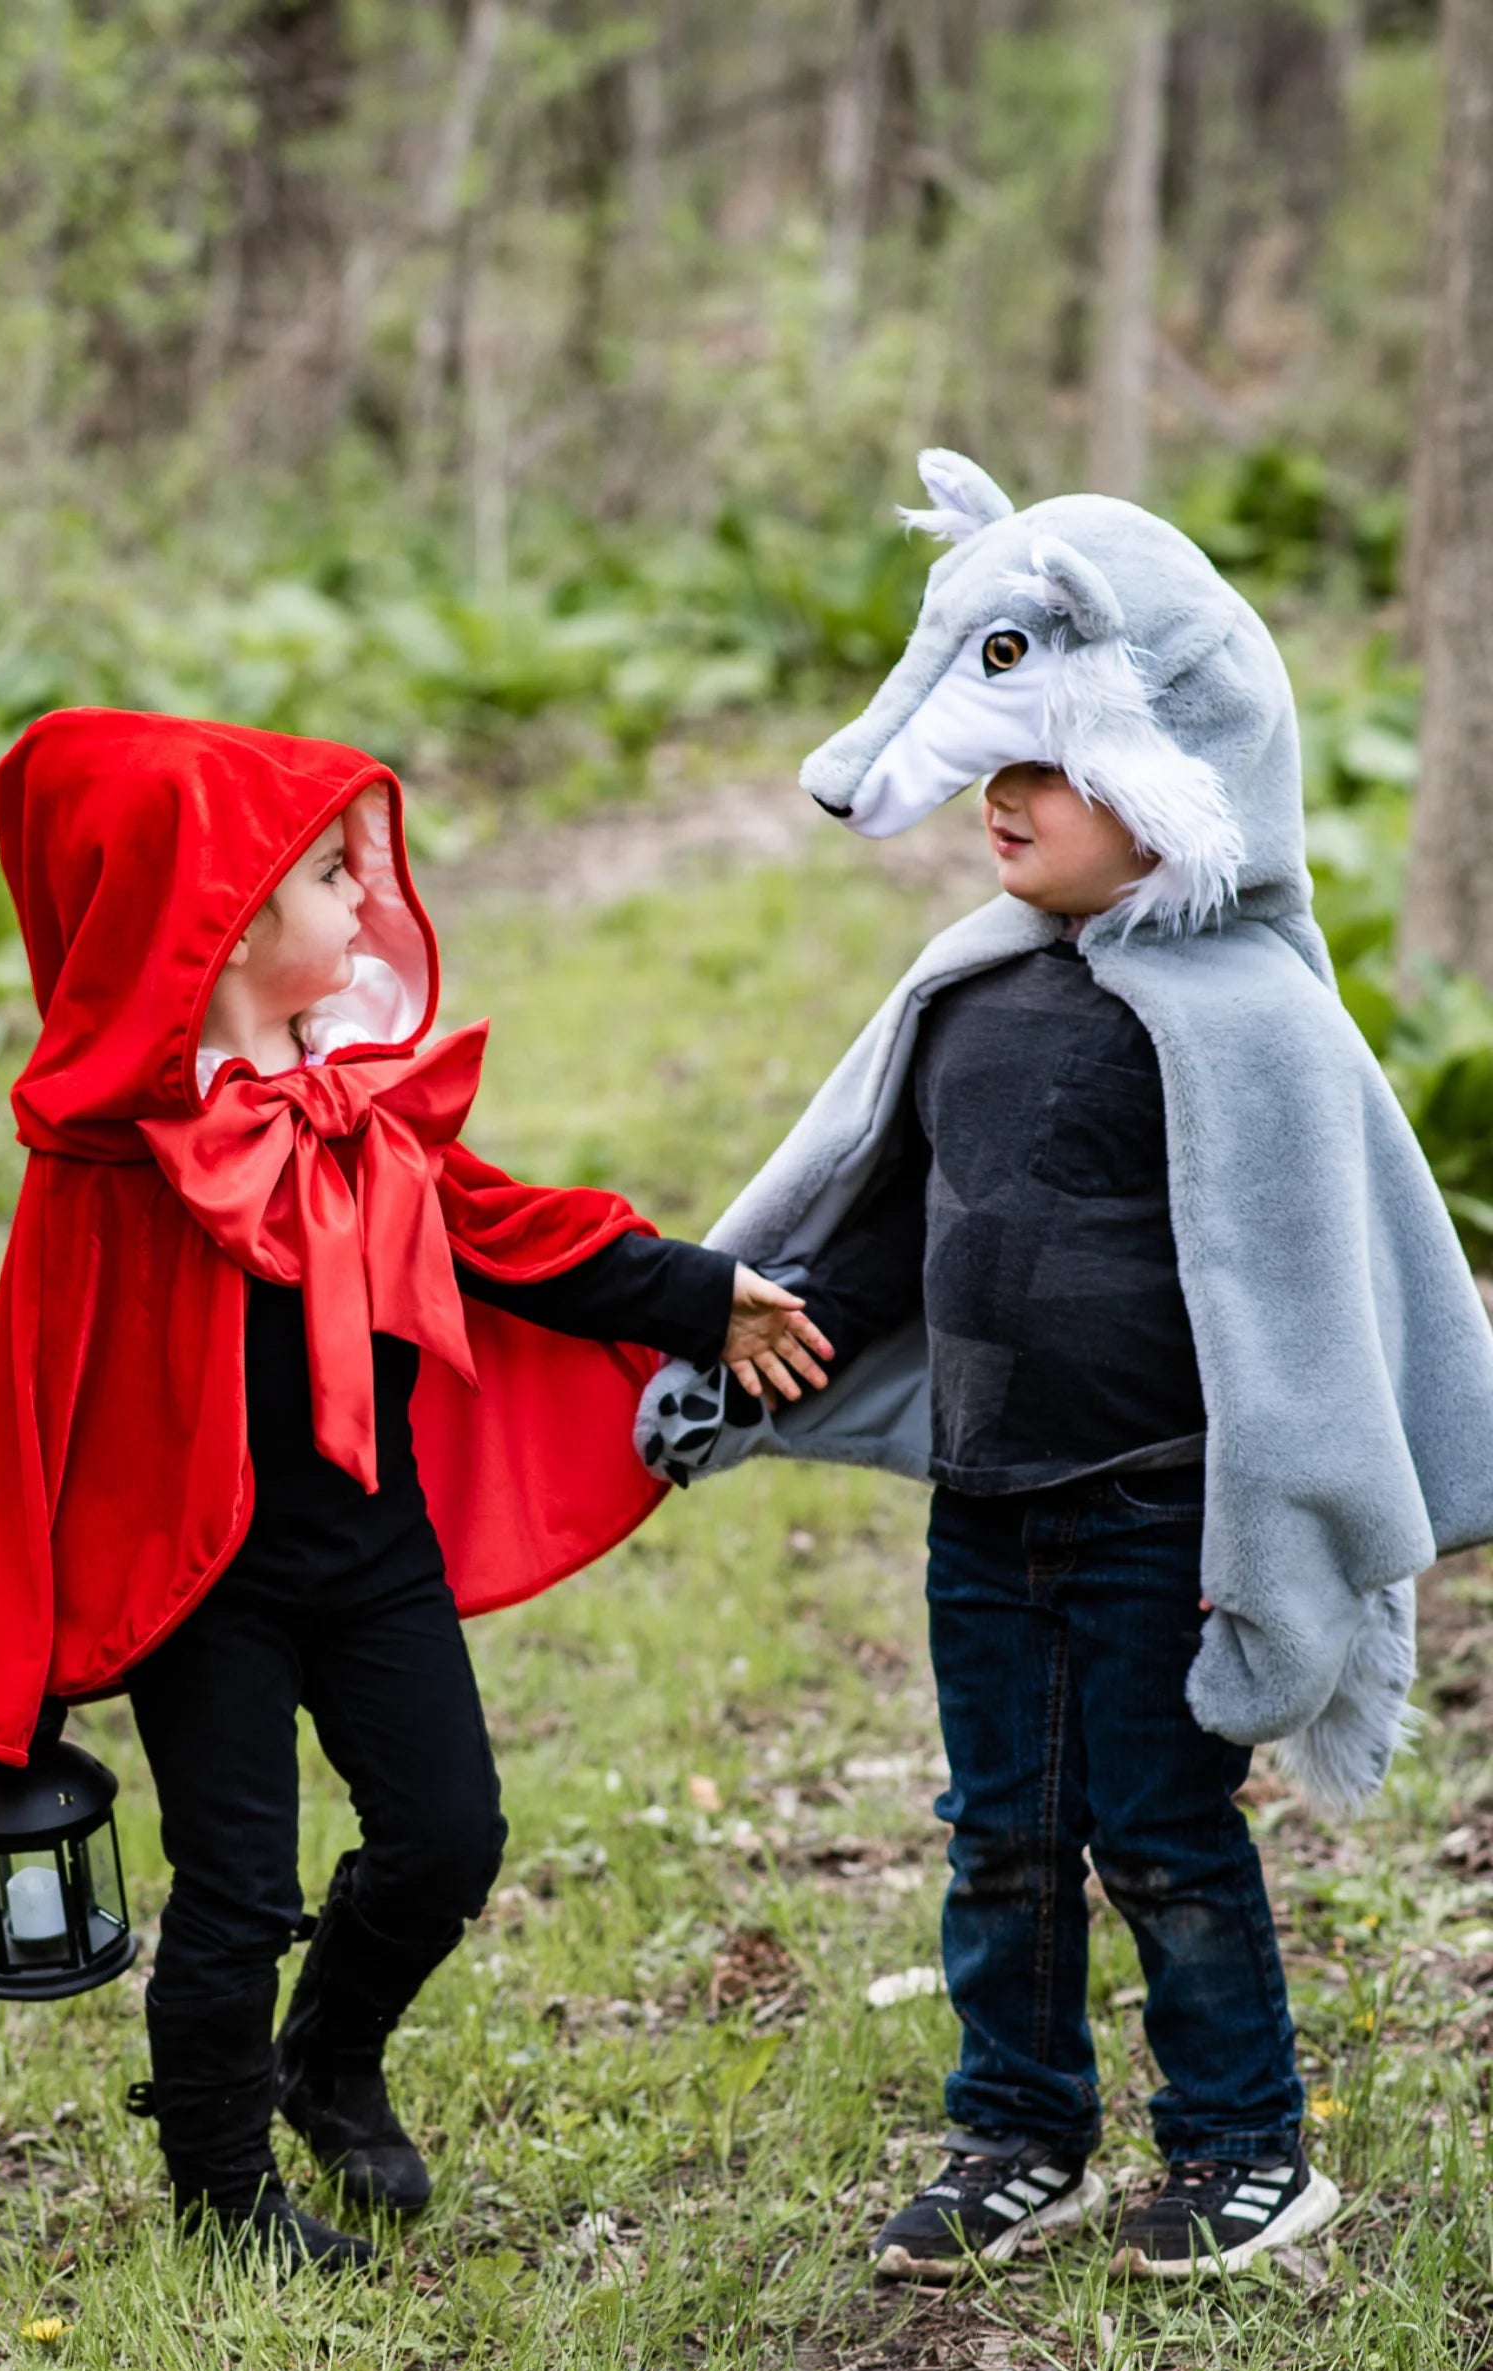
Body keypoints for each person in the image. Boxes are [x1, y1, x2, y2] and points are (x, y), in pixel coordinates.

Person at [636, 454, 1493, 2279]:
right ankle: (1021, 2130)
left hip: (1159, 1516)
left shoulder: (1258, 1020)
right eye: (992, 766)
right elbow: (879, 1216)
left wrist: (1271, 1538)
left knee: (1163, 1833)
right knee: (999, 1837)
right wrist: (751, 1335)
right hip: (987, 1500)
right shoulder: (971, 985)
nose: (1001, 798)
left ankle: (1247, 2146)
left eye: (1048, 766)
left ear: (1171, 776)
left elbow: (1305, 1303)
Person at [0, 708, 831, 2273]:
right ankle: (224, 2203)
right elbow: (42, 1417)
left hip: (372, 1540)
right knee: (236, 1895)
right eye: (332, 878)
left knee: (448, 1834)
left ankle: (328, 2058)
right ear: (224, 922)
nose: (367, 900)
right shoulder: (111, 1160)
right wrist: (22, 1690)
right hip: (209, 1580)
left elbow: (500, 1230)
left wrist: (696, 1294)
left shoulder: (350, 1089)